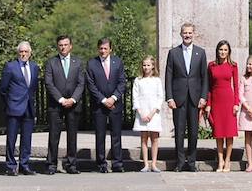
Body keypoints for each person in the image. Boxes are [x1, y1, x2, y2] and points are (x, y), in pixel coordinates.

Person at [165, 22, 208, 171]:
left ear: (194, 34)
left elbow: (204, 78)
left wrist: (203, 97)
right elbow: (168, 76)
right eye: (185, 33)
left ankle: (191, 163)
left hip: (195, 98)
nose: (187, 35)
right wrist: (169, 97)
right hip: (178, 99)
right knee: (179, 132)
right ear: (181, 34)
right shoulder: (173, 53)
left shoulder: (201, 53)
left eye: (190, 33)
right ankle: (179, 162)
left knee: (194, 132)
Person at [44, 34, 86, 175]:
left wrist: (73, 99)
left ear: (70, 46)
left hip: (73, 105)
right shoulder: (51, 62)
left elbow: (81, 83)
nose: (63, 47)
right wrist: (61, 99)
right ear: (58, 46)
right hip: (56, 105)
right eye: (61, 45)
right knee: (54, 136)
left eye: (65, 45)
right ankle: (51, 165)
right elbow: (49, 84)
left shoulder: (78, 62)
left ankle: (71, 164)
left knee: (72, 136)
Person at [86, 37, 127, 173]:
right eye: (101, 48)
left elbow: (122, 82)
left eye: (105, 48)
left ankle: (117, 164)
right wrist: (104, 100)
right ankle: (101, 164)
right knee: (100, 135)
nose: (103, 51)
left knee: (116, 135)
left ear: (111, 49)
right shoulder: (92, 63)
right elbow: (91, 85)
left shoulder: (118, 62)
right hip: (99, 105)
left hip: (115, 104)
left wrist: (113, 98)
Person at [0, 40, 39, 176]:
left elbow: (33, 87)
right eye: (21, 51)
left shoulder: (34, 67)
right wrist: (10, 102)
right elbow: (3, 88)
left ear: (30, 53)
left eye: (26, 51)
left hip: (28, 107)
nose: (23, 54)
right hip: (14, 107)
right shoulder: (10, 67)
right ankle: (10, 165)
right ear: (18, 53)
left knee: (27, 138)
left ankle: (24, 164)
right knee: (11, 138)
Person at [205, 40, 240, 172]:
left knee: (229, 132)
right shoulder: (211, 65)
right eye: (221, 50)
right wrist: (208, 104)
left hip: (229, 100)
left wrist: (236, 103)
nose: (223, 52)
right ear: (217, 51)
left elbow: (236, 86)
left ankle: (227, 161)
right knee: (218, 133)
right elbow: (208, 87)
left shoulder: (233, 66)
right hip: (216, 100)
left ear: (229, 51)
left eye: (225, 50)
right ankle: (220, 161)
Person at [132, 55, 164, 173]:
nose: (146, 67)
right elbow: (135, 97)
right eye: (144, 65)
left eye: (148, 65)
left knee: (155, 138)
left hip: (153, 113)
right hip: (142, 112)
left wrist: (152, 113)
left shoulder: (157, 80)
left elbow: (160, 97)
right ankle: (145, 164)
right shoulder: (138, 80)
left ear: (153, 66)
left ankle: (154, 163)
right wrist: (141, 113)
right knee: (144, 138)